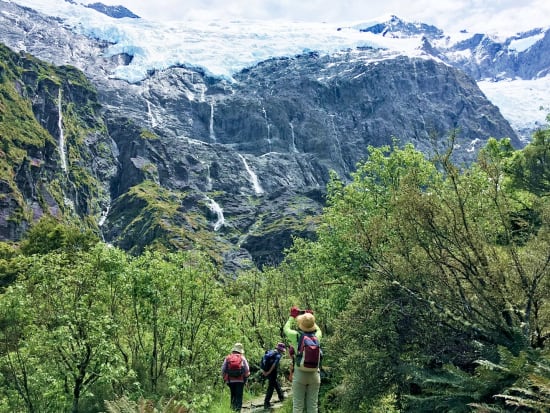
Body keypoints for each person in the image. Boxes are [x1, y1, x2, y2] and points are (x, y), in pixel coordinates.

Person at [284, 306, 322, 413]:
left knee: (298, 406)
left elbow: (286, 329)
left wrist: (292, 316)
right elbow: (318, 329)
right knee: (313, 406)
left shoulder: (296, 336)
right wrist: (311, 317)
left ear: (301, 324)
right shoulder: (317, 336)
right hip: (315, 374)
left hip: (300, 373)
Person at [221, 342, 250, 412]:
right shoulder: (242, 358)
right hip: (240, 380)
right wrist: (246, 377)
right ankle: (238, 410)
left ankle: (232, 410)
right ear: (240, 351)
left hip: (230, 380)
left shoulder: (228, 358)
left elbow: (223, 369)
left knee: (233, 395)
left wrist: (224, 377)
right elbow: (247, 369)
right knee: (239, 396)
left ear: (233, 350)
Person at [262, 342, 287, 409]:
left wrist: (264, 371)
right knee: (271, 387)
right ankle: (266, 403)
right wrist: (269, 372)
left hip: (266, 371)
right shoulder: (278, 355)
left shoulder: (269, 352)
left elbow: (263, 361)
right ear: (281, 350)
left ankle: (281, 396)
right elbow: (274, 365)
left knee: (275, 383)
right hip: (272, 372)